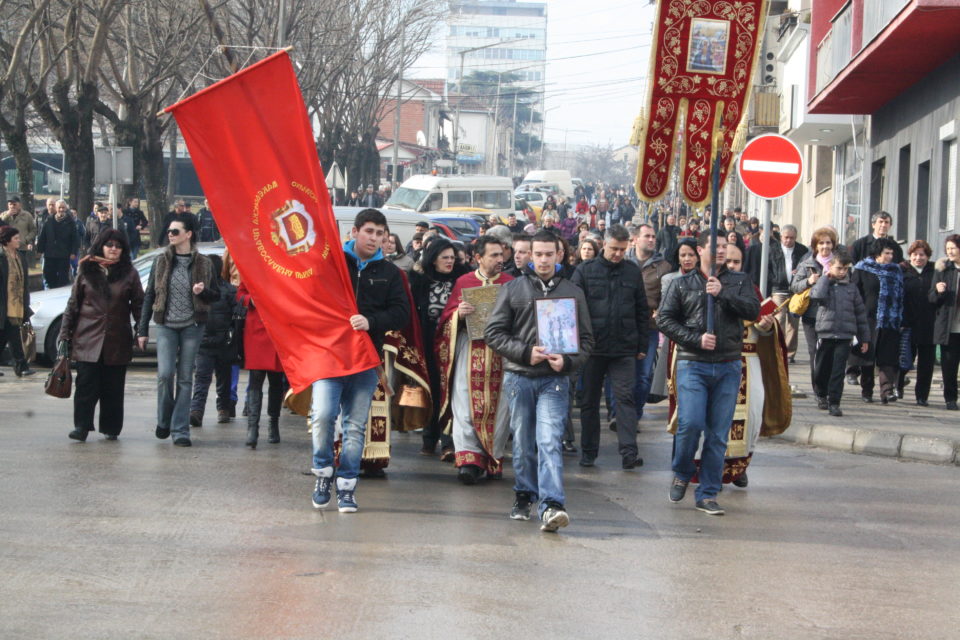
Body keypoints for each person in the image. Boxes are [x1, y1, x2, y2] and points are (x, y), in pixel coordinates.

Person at [485, 230, 594, 533]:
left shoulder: (573, 292)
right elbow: (493, 333)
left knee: (549, 439)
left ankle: (552, 504)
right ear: (530, 255)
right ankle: (524, 494)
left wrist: (568, 361)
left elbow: (586, 341)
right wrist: (524, 352)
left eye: (550, 254)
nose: (544, 260)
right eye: (539, 254)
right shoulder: (513, 289)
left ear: (560, 255)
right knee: (522, 443)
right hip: (520, 377)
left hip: (555, 379)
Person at [310, 208, 410, 512]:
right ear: (354, 232)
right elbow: (309, 299)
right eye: (369, 231)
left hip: (366, 360)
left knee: (355, 426)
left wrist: (372, 321)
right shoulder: (332, 263)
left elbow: (402, 313)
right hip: (328, 356)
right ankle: (323, 472)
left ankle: (347, 486)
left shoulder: (390, 273)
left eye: (381, 234)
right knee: (324, 416)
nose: (375, 238)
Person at [658, 232, 760, 516]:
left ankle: (708, 493)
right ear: (700, 249)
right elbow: (664, 320)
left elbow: (752, 309)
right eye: (714, 246)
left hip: (728, 364)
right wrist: (694, 339)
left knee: (717, 433)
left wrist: (722, 293)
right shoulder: (682, 284)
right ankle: (681, 471)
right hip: (693, 363)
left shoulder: (739, 280)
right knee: (690, 423)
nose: (720, 251)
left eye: (724, 246)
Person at [435, 236, 513, 484]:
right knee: (465, 404)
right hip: (469, 350)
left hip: (501, 354)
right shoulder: (464, 282)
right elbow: (445, 320)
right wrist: (459, 314)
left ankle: (491, 457)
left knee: (499, 408)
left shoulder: (511, 283)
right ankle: (468, 461)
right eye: (493, 255)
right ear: (478, 258)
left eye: (501, 255)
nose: (500, 260)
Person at [137, 214, 219, 447]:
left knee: (185, 379)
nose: (170, 235)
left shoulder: (204, 263)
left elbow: (216, 295)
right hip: (165, 325)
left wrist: (202, 291)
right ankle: (164, 420)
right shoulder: (161, 261)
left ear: (188, 234)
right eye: (169, 232)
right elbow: (150, 296)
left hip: (192, 326)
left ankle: (180, 429)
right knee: (165, 375)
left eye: (175, 231)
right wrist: (142, 329)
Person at [572, 224, 649, 469]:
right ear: (604, 244)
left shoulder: (632, 272)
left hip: (624, 347)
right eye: (614, 249)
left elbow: (641, 309)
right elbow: (572, 309)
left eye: (622, 250)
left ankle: (629, 452)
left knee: (625, 398)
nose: (617, 254)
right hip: (592, 348)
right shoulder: (585, 271)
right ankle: (588, 451)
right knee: (589, 401)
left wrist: (642, 343)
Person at [60, 229, 144, 441]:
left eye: (118, 246)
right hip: (87, 337)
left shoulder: (129, 273)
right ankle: (81, 427)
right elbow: (73, 305)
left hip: (117, 338)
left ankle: (111, 428)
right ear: (101, 247)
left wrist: (140, 331)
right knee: (86, 386)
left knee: (113, 388)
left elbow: (139, 305)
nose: (114, 249)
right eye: (110, 245)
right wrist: (64, 334)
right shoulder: (86, 270)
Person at [409, 237, 468, 460]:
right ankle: (429, 438)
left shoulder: (462, 279)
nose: (450, 261)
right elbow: (413, 313)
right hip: (428, 343)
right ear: (433, 259)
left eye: (453, 257)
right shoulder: (420, 280)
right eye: (445, 257)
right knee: (432, 391)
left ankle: (449, 442)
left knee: (452, 392)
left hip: (454, 343)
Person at [810, 250, 869, 417]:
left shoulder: (852, 288)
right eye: (839, 268)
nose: (843, 272)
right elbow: (816, 296)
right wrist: (825, 278)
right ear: (830, 267)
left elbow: (860, 315)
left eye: (845, 268)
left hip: (845, 335)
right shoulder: (825, 283)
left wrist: (864, 338)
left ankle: (834, 402)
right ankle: (821, 393)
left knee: (838, 371)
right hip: (826, 334)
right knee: (821, 368)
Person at [852, 237, 904, 404]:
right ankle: (867, 390)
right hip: (869, 319)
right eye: (886, 253)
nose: (890, 256)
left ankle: (887, 391)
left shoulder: (896, 271)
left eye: (892, 253)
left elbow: (901, 295)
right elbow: (855, 294)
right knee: (868, 356)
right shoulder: (862, 269)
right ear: (877, 253)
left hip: (891, 320)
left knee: (888, 357)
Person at [627, 223, 671, 420]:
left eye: (654, 236)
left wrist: (660, 312)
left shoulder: (663, 266)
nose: (652, 239)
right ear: (635, 239)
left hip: (648, 327)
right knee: (620, 375)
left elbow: (667, 296)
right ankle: (618, 415)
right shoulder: (624, 262)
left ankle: (636, 413)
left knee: (644, 376)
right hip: (624, 325)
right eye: (647, 236)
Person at [189, 254, 239, 427]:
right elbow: (237, 317)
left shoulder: (199, 289)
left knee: (202, 378)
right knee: (223, 378)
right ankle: (223, 409)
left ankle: (197, 410)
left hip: (205, 341)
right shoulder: (230, 290)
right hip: (223, 342)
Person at [236, 280, 285, 447]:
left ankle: (273, 423)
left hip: (278, 328)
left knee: (276, 381)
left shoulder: (283, 267)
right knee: (255, 380)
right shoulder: (253, 266)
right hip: (256, 327)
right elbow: (240, 294)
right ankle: (252, 428)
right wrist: (250, 300)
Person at [791, 227, 838, 397]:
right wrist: (809, 281)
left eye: (828, 243)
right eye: (821, 243)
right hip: (811, 316)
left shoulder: (840, 264)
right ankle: (819, 390)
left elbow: (850, 285)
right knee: (814, 352)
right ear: (815, 246)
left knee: (829, 353)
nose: (825, 246)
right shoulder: (807, 264)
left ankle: (829, 386)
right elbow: (794, 286)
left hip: (833, 315)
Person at [899, 240, 937, 405]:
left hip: (929, 324)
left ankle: (922, 396)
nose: (918, 258)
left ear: (928, 256)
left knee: (926, 364)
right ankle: (898, 386)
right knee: (905, 359)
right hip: (907, 323)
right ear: (910, 256)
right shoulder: (902, 271)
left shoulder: (935, 271)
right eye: (915, 254)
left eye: (922, 254)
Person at [0, 227, 35, 377]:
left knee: (7, 334)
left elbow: (25, 283)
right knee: (12, 334)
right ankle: (21, 366)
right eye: (15, 238)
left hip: (17, 303)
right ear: (7, 240)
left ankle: (21, 365)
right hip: (4, 303)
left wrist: (26, 303)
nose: (19, 240)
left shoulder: (20, 257)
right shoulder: (1, 257)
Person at [931, 234, 960, 411]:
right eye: (947, 248)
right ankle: (950, 398)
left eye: (953, 248)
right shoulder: (942, 270)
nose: (949, 251)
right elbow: (932, 298)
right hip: (950, 326)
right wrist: (938, 290)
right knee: (949, 365)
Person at [36, 199, 79, 289]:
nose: (61, 210)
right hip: (50, 254)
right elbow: (43, 236)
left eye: (63, 208)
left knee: (63, 278)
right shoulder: (49, 220)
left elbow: (75, 239)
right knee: (48, 275)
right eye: (59, 207)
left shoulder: (70, 222)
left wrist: (73, 252)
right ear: (56, 208)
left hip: (64, 254)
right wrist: (39, 250)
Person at [2, 196, 37, 267]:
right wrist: (7, 216)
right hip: (7, 248)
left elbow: (33, 230)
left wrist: (26, 239)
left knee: (21, 266)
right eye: (10, 204)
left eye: (14, 204)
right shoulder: (4, 215)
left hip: (21, 247)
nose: (12, 206)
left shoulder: (27, 215)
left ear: (19, 205)